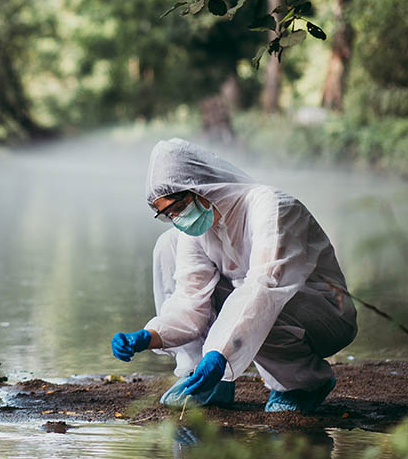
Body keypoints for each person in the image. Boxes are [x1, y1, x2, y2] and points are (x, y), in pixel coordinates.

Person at [110, 138, 357, 412]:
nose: (177, 219)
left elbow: (264, 288)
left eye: (177, 209)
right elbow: (190, 301)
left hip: (321, 316)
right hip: (262, 309)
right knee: (168, 244)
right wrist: (149, 335)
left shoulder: (272, 208)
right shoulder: (199, 231)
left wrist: (220, 352)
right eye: (167, 214)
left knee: (260, 303)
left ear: (199, 187)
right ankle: (205, 377)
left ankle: (300, 383)